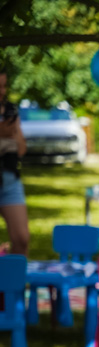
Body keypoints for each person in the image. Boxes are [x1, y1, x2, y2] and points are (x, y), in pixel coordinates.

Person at [0, 66, 28, 256]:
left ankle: (14, 284)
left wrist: (13, 132)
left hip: (9, 179)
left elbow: (22, 150)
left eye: (4, 86)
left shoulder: (10, 111)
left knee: (21, 239)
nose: (2, 91)